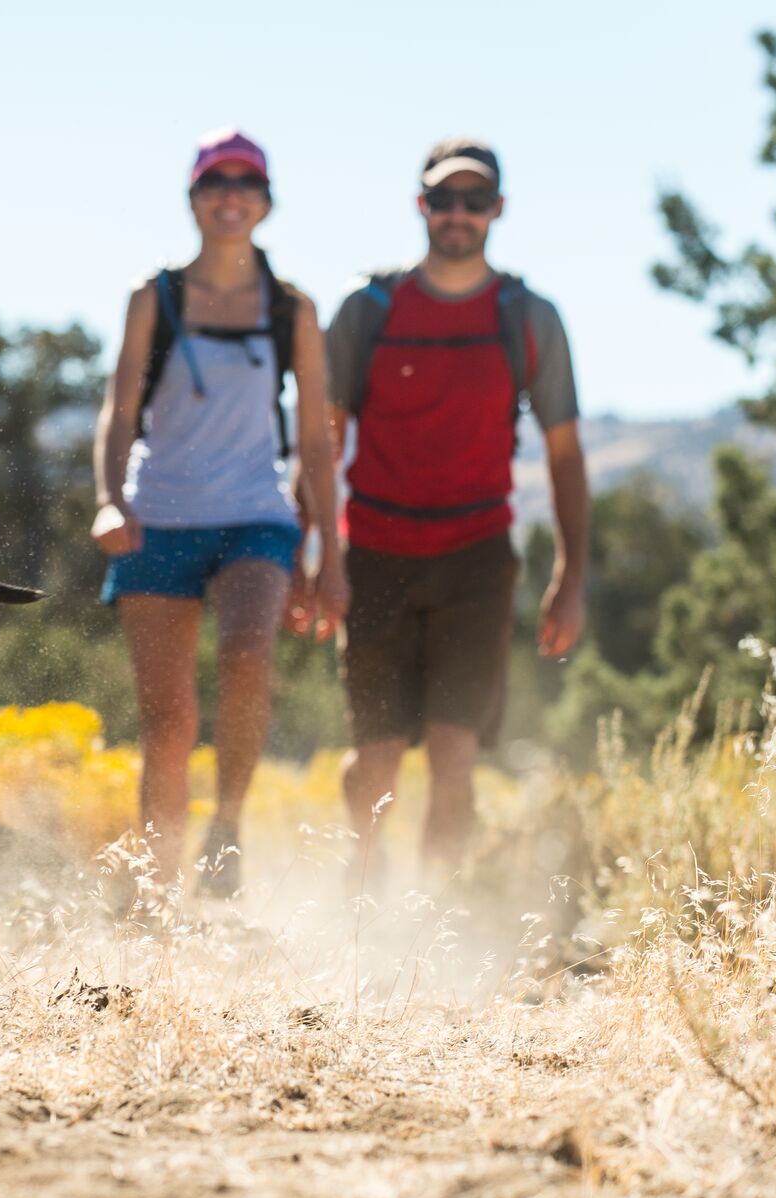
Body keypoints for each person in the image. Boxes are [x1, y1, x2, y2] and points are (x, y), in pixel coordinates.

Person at [322, 136, 589, 884]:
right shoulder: (366, 309)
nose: (459, 213)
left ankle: (433, 922)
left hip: (478, 557)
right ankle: (362, 886)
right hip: (373, 551)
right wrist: (314, 552)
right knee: (375, 755)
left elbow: (565, 455)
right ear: (422, 206)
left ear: (498, 210)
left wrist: (571, 575)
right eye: (445, 198)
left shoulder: (528, 317)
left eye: (475, 200)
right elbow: (321, 442)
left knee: (454, 751)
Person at [92, 127, 347, 892]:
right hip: (157, 517)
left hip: (255, 516)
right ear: (194, 198)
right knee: (167, 728)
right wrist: (108, 499)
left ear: (266, 204)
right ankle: (156, 889)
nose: (230, 196)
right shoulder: (154, 298)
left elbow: (315, 440)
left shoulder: (292, 309)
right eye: (215, 182)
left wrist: (328, 558)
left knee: (247, 655)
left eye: (246, 184)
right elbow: (118, 409)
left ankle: (227, 827)